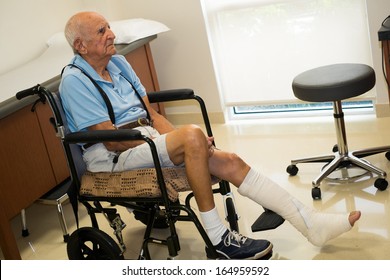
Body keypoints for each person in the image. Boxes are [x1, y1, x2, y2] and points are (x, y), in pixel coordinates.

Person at [59, 11, 361, 260]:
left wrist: (181, 143)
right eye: (101, 31)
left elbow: (153, 116)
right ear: (81, 45)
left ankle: (312, 225)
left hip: (144, 138)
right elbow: (111, 139)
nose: (111, 34)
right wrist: (175, 144)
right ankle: (219, 240)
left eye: (108, 27)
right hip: (112, 156)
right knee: (191, 138)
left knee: (229, 161)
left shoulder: (119, 63)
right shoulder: (75, 81)